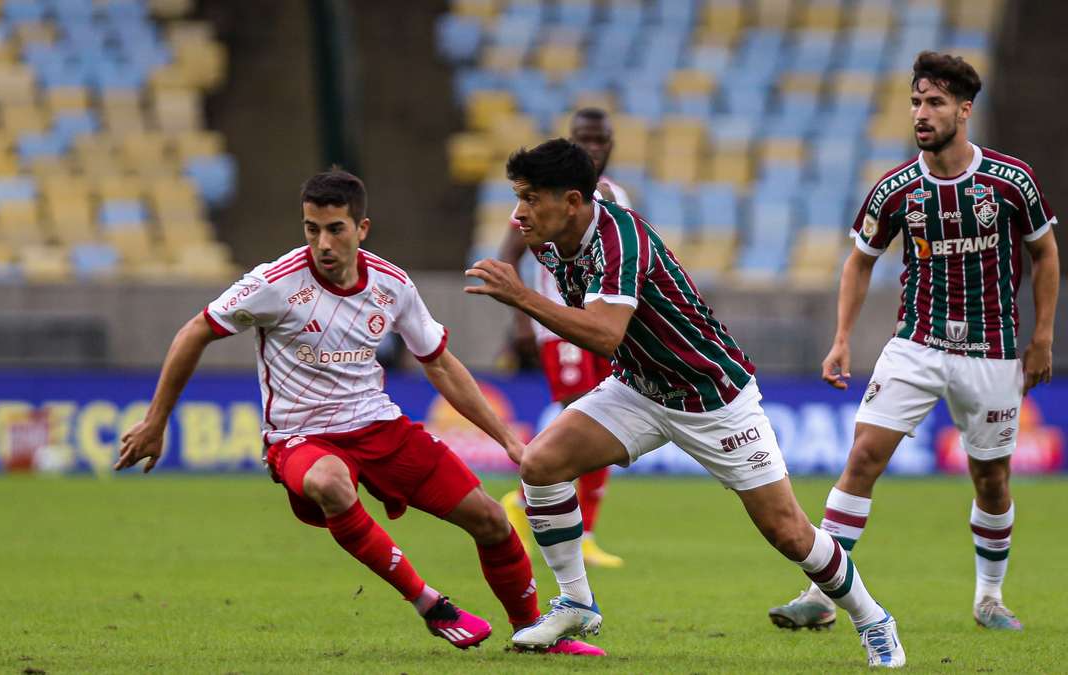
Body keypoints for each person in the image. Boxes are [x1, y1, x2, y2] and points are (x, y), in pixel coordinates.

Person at [114, 169, 602, 656]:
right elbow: (194, 332)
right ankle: (430, 603)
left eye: (335, 229)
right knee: (329, 483)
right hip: (301, 438)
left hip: (378, 426)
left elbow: (441, 365)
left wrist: (509, 442)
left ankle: (532, 636)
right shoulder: (275, 283)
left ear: (361, 228)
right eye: (311, 229)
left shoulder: (391, 284)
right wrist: (156, 421)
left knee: (491, 520)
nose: (322, 243)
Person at [465, 139, 905, 667]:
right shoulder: (550, 242)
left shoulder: (619, 239)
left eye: (531, 198)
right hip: (641, 389)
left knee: (789, 532)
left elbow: (605, 334)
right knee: (540, 464)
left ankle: (873, 619)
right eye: (518, 198)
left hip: (713, 397)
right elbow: (610, 339)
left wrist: (522, 298)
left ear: (573, 200)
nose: (519, 213)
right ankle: (577, 602)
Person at [767, 52, 1058, 633]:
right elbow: (858, 263)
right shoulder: (895, 190)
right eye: (916, 102)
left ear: (964, 110)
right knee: (863, 458)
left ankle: (989, 599)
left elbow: (1044, 253)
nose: (921, 114)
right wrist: (842, 339)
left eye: (935, 103)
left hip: (992, 350)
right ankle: (822, 596)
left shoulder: (1009, 180)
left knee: (992, 480)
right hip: (915, 345)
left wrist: (1043, 336)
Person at [499, 108, 630, 568]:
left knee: (605, 420)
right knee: (581, 410)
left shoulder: (619, 196)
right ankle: (523, 499)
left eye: (600, 140)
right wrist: (520, 323)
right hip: (561, 327)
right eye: (584, 140)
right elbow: (509, 254)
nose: (594, 148)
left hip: (604, 323)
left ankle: (584, 529)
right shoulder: (544, 201)